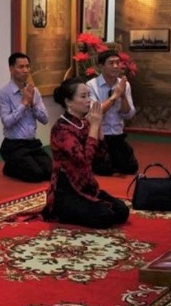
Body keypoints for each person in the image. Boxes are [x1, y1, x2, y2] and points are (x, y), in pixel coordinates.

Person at [43, 77, 129, 228]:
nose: (88, 100)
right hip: (67, 192)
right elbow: (83, 161)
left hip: (88, 188)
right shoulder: (61, 129)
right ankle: (63, 211)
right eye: (83, 96)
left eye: (89, 95)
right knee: (105, 216)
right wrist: (94, 126)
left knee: (121, 211)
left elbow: (101, 159)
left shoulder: (84, 124)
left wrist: (98, 126)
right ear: (68, 102)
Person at [0, 52, 52, 182]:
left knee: (51, 172)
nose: (25, 70)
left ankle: (17, 164)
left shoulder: (34, 91)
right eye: (21, 67)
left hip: (32, 143)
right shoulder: (3, 93)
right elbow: (7, 122)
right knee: (36, 174)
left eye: (27, 66)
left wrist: (33, 104)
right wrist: (23, 104)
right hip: (13, 145)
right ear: (11, 69)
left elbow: (45, 119)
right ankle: (9, 167)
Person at [86, 49, 138, 176]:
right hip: (100, 136)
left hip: (117, 135)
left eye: (117, 62)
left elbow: (129, 114)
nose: (115, 66)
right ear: (101, 66)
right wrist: (114, 96)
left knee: (131, 167)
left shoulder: (124, 84)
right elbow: (95, 114)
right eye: (111, 63)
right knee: (104, 168)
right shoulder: (91, 85)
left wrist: (123, 96)